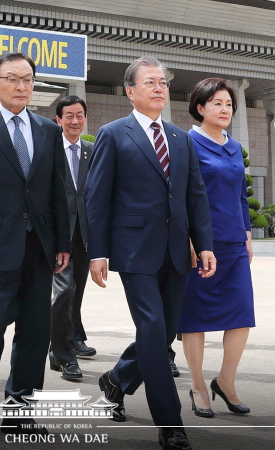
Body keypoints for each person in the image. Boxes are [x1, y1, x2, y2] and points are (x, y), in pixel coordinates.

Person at [86, 56, 215, 450]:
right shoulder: (112, 133)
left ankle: (117, 379)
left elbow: (195, 194)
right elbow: (97, 197)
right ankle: (170, 422)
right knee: (152, 329)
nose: (159, 88)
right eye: (149, 82)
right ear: (130, 91)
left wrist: (204, 244)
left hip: (178, 252)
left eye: (162, 82)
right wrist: (98, 252)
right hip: (135, 251)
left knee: (163, 335)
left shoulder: (180, 137)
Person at [0, 52, 70, 434]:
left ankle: (20, 406)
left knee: (36, 332)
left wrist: (62, 244)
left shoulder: (48, 130)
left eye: (28, 79)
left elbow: (58, 192)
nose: (22, 86)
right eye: (13, 78)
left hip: (39, 248)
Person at [179, 78, 255, 419]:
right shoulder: (187, 143)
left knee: (241, 314)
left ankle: (225, 380)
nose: (225, 110)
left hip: (235, 243)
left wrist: (248, 233)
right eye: (217, 104)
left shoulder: (235, 146)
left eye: (229, 104)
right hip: (201, 245)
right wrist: (191, 239)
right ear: (200, 108)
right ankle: (197, 385)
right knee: (194, 317)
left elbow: (241, 193)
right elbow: (181, 196)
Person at [48, 95, 94, 381]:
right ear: (58, 120)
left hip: (86, 234)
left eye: (79, 115)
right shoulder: (49, 148)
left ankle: (73, 336)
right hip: (58, 233)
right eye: (69, 116)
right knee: (64, 290)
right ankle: (60, 351)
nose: (75, 121)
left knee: (77, 291)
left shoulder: (92, 150)